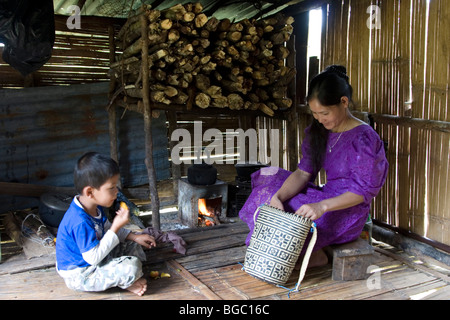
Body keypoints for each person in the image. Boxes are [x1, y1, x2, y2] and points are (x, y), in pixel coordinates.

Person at [239, 65, 388, 268]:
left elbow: (363, 192)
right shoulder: (318, 131)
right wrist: (278, 197)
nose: (319, 119)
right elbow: (302, 172)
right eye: (315, 113)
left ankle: (313, 256)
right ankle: (295, 252)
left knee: (300, 220)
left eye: (324, 113)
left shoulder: (365, 139)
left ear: (344, 102)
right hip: (324, 196)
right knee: (268, 188)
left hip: (346, 209)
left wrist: (322, 206)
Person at [56, 152, 156, 296]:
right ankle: (126, 282)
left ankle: (122, 275)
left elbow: (107, 228)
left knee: (135, 244)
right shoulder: (79, 221)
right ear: (90, 192)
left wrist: (134, 236)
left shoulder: (94, 207)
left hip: (97, 258)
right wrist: (116, 226)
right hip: (81, 273)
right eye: (111, 188)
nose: (116, 192)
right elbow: (93, 258)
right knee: (131, 267)